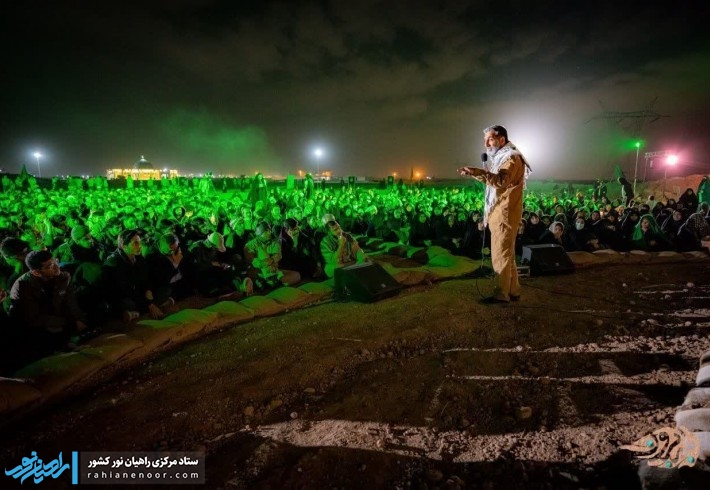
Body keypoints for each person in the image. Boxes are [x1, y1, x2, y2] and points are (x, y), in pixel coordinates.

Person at [459, 125, 530, 303]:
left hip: (504, 215)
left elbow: (500, 181)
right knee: (508, 255)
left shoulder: (511, 158)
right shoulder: (503, 157)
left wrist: (477, 172)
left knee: (500, 255)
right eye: (485, 140)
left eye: (490, 139)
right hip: (502, 213)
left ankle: (501, 294)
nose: (486, 144)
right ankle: (513, 290)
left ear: (501, 139)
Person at [319, 213, 367, 278]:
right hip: (338, 265)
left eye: (339, 227)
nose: (339, 231)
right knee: (333, 268)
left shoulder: (347, 236)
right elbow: (334, 261)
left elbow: (357, 250)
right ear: (329, 232)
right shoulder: (325, 242)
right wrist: (341, 245)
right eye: (335, 230)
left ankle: (352, 270)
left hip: (350, 263)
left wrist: (361, 256)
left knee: (364, 258)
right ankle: (352, 270)